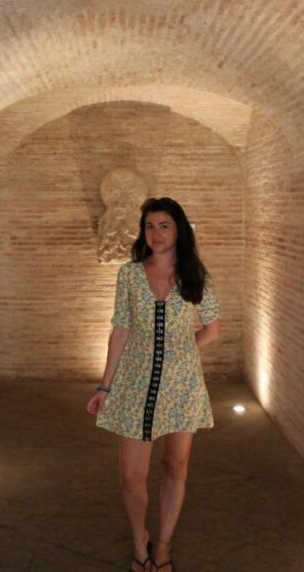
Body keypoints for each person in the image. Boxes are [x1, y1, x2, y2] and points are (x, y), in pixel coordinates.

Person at [86, 197, 222, 572]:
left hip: (182, 386)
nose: (156, 233)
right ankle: (138, 540)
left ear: (178, 229)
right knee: (131, 476)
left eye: (164, 226)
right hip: (133, 383)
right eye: (149, 226)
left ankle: (162, 546)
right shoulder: (129, 274)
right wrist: (104, 386)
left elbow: (212, 329)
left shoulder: (196, 276)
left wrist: (183, 350)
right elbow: (120, 330)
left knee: (175, 466)